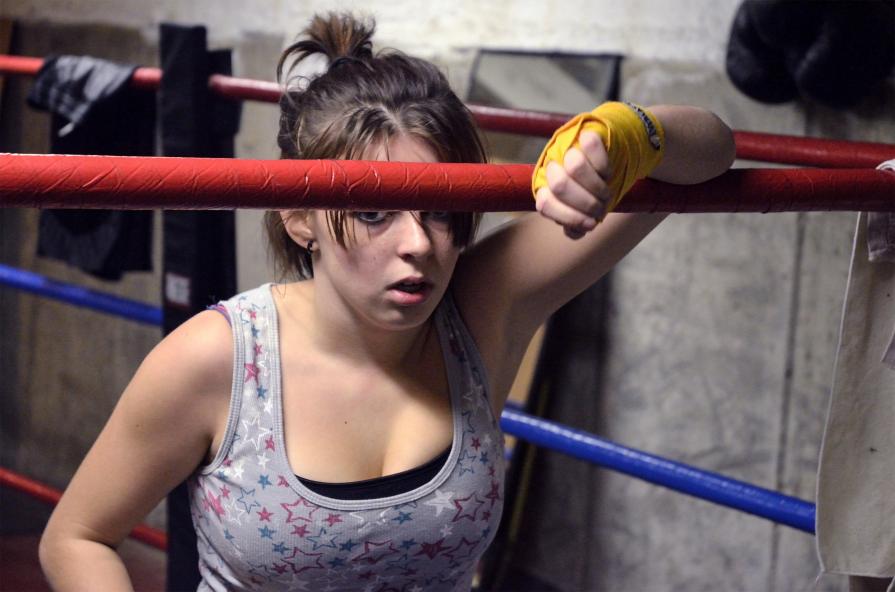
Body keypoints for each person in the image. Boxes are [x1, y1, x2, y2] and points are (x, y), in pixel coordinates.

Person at [38, 12, 735, 592]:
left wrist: (621, 136)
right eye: (373, 214)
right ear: (298, 217)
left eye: (439, 209)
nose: (419, 246)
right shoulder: (221, 359)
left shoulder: (482, 308)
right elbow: (77, 536)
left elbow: (710, 153)